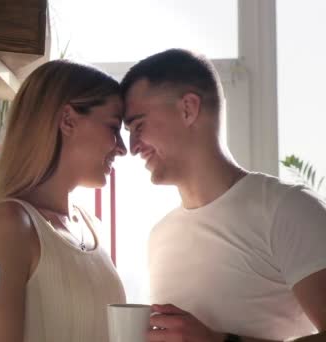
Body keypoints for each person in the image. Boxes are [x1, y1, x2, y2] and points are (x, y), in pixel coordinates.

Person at [119, 48, 326, 342]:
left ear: (188, 109)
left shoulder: (289, 209)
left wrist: (219, 341)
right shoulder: (159, 236)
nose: (132, 147)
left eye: (138, 126)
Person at [0, 59, 127, 342]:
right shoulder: (10, 225)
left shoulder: (94, 228)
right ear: (67, 120)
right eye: (114, 128)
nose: (122, 148)